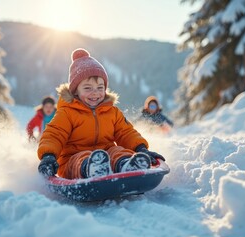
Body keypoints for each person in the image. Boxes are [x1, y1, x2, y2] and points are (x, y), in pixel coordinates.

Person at [36, 48, 165, 179]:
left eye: (100, 88)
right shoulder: (67, 113)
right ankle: (92, 169)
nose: (95, 93)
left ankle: (127, 166)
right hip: (73, 159)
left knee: (117, 151)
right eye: (87, 88)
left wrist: (141, 149)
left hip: (106, 155)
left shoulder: (112, 112)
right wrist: (48, 156)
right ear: (75, 92)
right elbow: (54, 134)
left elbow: (126, 132)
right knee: (80, 158)